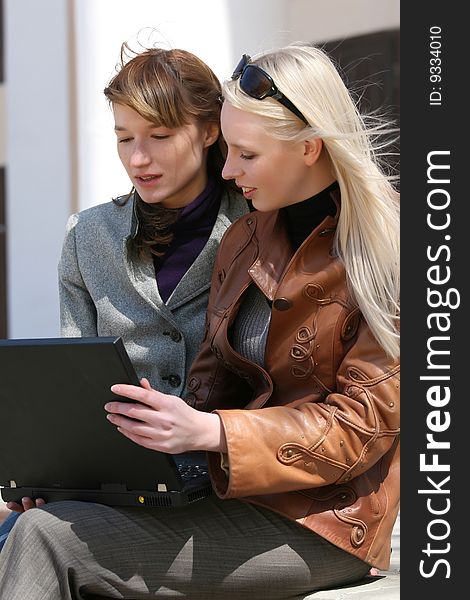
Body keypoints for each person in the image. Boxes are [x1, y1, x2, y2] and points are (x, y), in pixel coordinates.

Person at [0, 43, 399, 599]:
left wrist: (211, 431)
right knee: (36, 524)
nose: (229, 171)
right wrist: (65, 472)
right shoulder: (249, 237)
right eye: (123, 139)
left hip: (325, 523)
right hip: (223, 494)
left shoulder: (388, 252)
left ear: (310, 147)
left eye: (246, 155)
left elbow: (363, 426)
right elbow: (211, 384)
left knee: (47, 539)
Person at [0, 43, 248, 551]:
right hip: (119, 487)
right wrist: (48, 475)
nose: (138, 158)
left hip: (233, 487)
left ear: (208, 130)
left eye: (159, 136)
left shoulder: (257, 222)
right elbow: (72, 386)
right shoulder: (87, 235)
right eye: (123, 138)